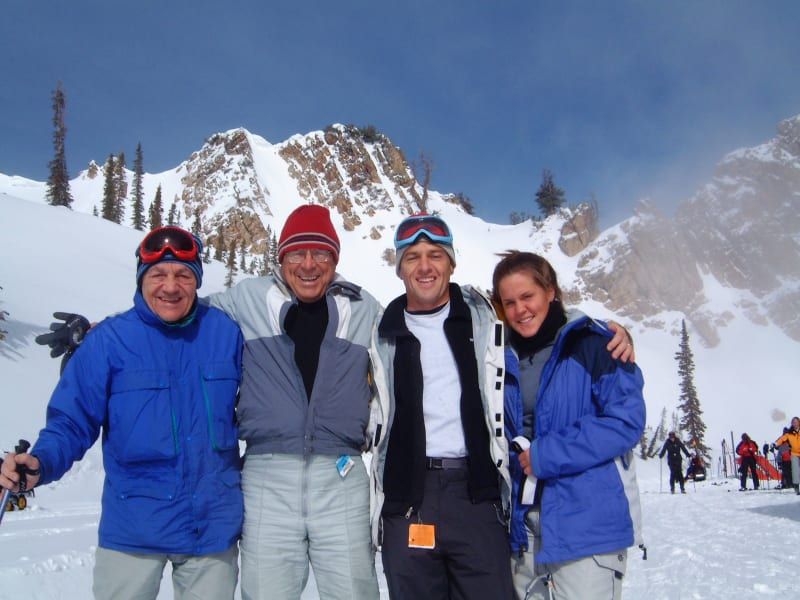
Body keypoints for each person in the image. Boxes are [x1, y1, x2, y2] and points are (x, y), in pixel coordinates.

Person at [371, 220, 634, 600]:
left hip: (477, 491)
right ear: (398, 267)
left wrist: (607, 330)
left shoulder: (483, 319)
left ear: (452, 263)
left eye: (435, 255)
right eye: (412, 257)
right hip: (408, 496)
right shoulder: (378, 330)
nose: (424, 266)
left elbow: (546, 317)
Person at [0, 227, 244, 600]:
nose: (170, 287)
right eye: (158, 275)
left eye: (183, 275)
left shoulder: (226, 334)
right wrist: (41, 461)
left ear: (196, 281)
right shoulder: (109, 342)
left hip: (210, 531)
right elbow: (72, 420)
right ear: (141, 279)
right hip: (133, 530)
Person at [206, 204, 382, 599]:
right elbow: (177, 310)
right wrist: (102, 328)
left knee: (354, 591)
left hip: (341, 477)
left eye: (321, 254)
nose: (308, 264)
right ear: (281, 257)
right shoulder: (248, 298)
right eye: (296, 253)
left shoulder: (363, 308)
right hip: (267, 477)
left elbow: (410, 344)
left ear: (334, 260)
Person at [492, 250, 645, 600]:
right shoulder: (501, 356)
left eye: (528, 296)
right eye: (509, 302)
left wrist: (548, 454)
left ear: (551, 292)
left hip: (586, 525)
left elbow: (626, 422)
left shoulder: (596, 345)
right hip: (525, 531)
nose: (520, 310)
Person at [774, 418, 800, 494]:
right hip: (791, 457)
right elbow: (780, 441)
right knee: (791, 472)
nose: (795, 424)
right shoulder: (787, 435)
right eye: (793, 422)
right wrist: (775, 444)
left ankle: (789, 484)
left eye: (796, 422)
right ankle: (793, 486)